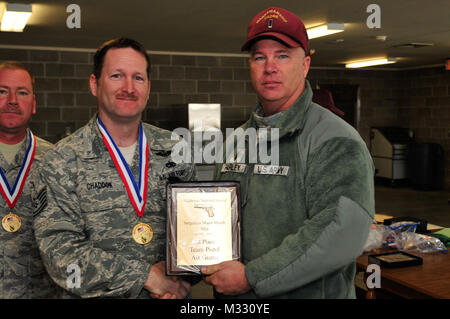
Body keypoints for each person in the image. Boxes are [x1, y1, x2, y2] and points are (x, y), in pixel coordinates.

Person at [201, 7, 375, 298]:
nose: (270, 67)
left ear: (305, 65)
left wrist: (251, 277)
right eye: (259, 57)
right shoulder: (236, 141)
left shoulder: (335, 140)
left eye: (282, 55)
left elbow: (339, 234)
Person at [32, 38, 195, 298]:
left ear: (149, 88)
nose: (128, 88)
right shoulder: (61, 159)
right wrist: (146, 277)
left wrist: (183, 274)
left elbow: (194, 230)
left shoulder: (175, 149)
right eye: (117, 75)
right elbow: (61, 254)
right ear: (95, 84)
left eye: (138, 78)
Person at [0, 61, 57, 298]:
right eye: (2, 91)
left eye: (22, 92)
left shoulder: (57, 161)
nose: (12, 100)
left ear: (33, 104)